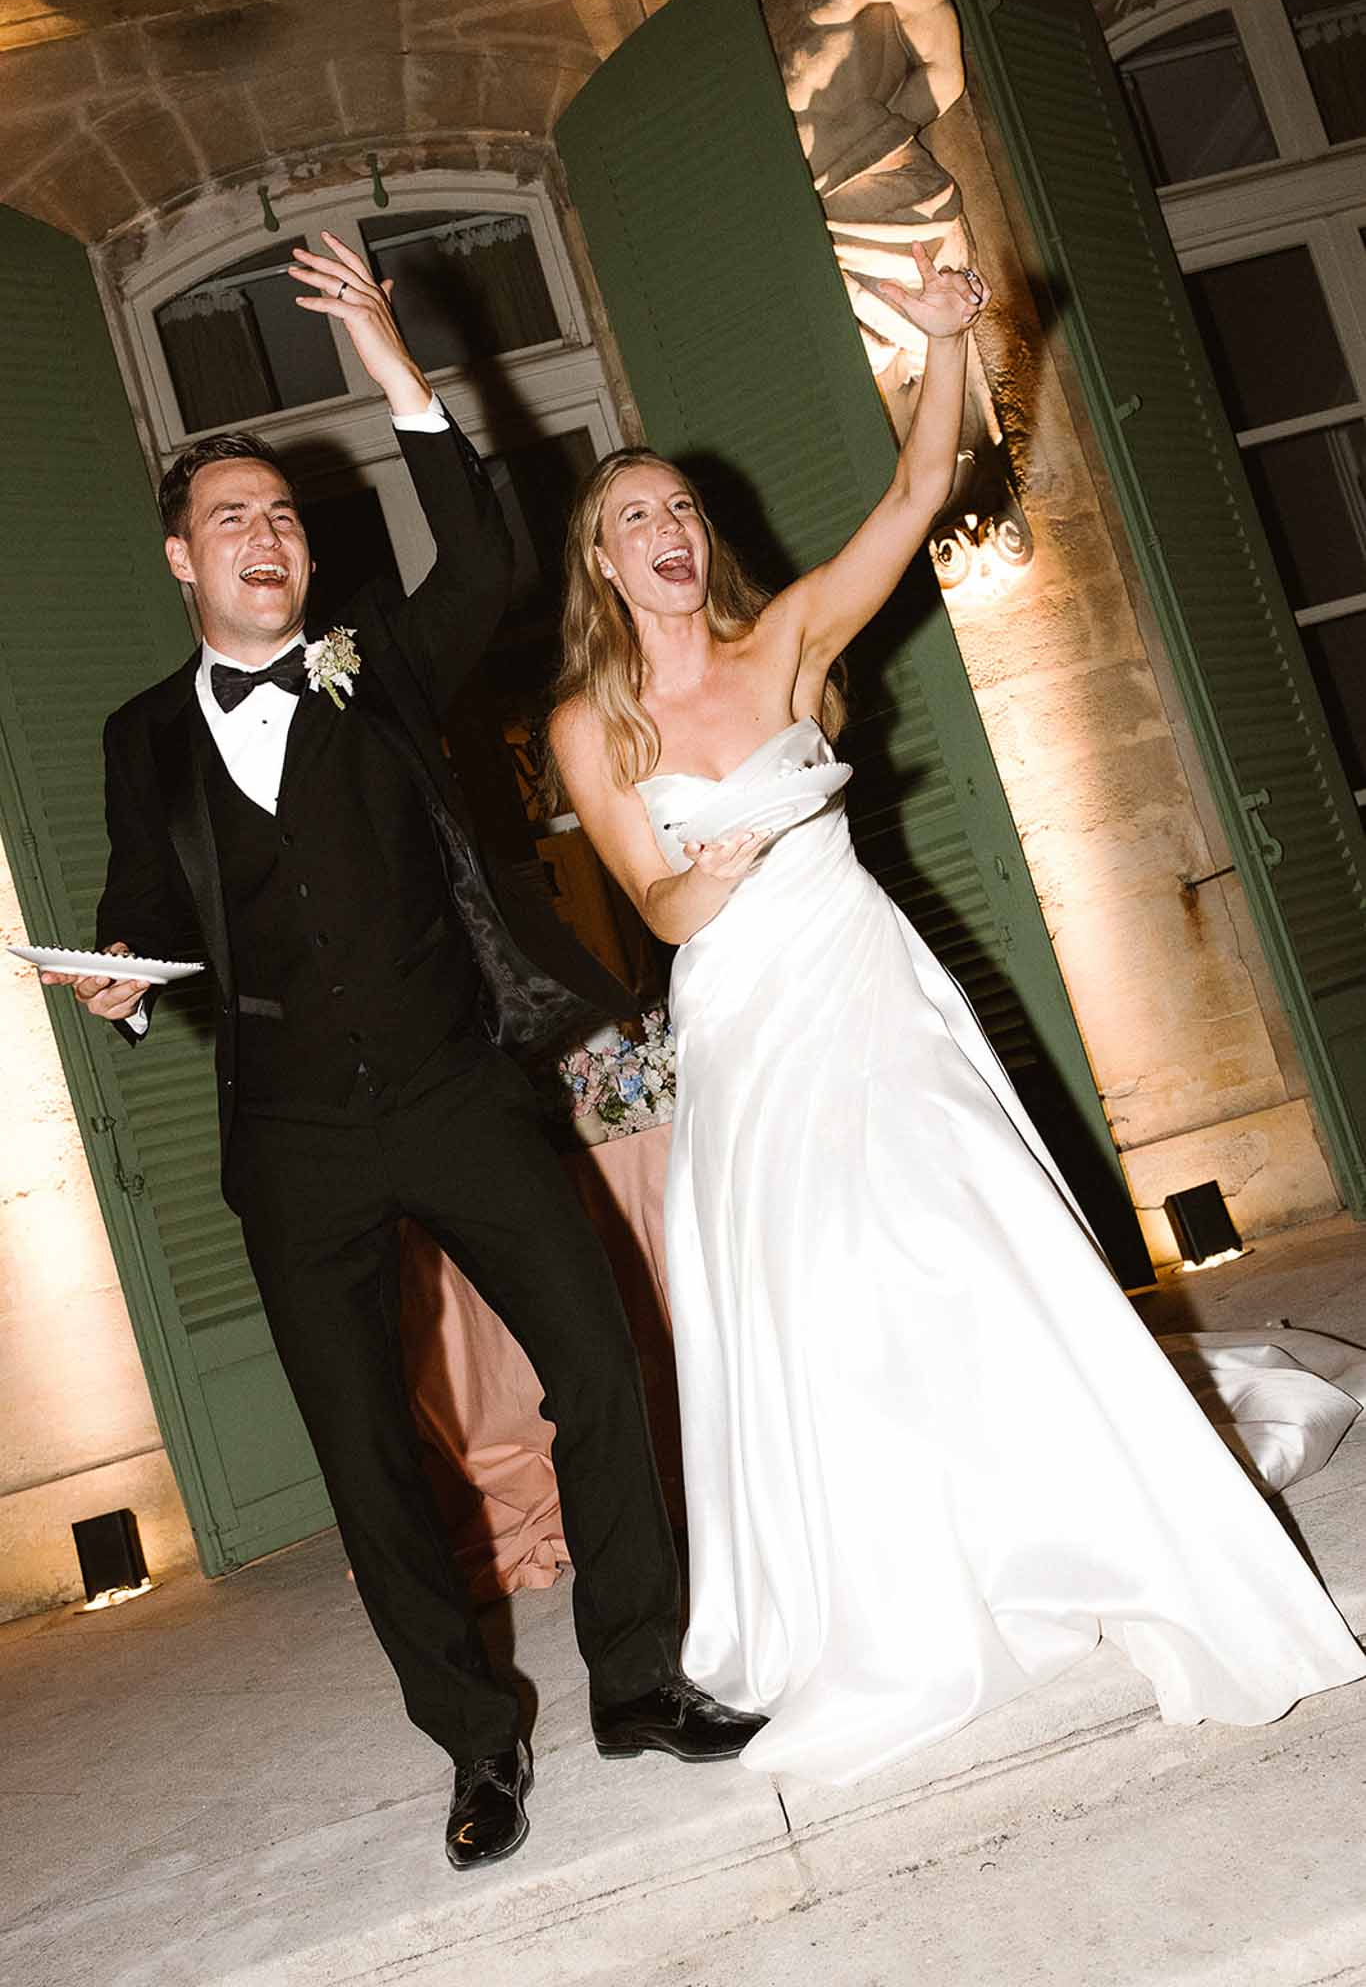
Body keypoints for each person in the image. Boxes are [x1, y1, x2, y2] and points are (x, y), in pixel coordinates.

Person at [549, 244, 1365, 1786]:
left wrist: (939, 342)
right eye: (631, 519)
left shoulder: (780, 637)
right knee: (807, 1284)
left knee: (955, 1228)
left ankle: (1068, 1516)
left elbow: (916, 500)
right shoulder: (595, 722)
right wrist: (708, 875)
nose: (665, 529)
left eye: (677, 509)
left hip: (860, 974)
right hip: (737, 1008)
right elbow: (648, 909)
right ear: (600, 562)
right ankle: (880, 1567)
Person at [46, 234, 764, 1868]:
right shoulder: (140, 736)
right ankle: (475, 1743)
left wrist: (391, 365)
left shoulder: (384, 665)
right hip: (291, 1138)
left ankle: (636, 1683)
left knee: (598, 1362)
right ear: (180, 560)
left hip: (457, 1091)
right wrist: (126, 981)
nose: (268, 536)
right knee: (371, 1464)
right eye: (233, 517)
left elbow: (492, 556)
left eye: (285, 513)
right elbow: (144, 904)